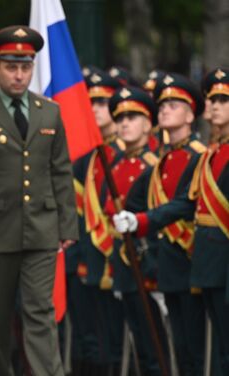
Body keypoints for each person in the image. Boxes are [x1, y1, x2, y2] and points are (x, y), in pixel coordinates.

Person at [0, 25, 78, 376]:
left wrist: (67, 224)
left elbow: (61, 172)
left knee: (40, 311)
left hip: (42, 227)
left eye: (25, 66)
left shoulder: (48, 111)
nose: (19, 74)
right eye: (11, 66)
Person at [114, 67, 229, 374]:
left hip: (207, 260)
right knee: (199, 353)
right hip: (203, 265)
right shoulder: (209, 156)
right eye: (212, 99)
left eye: (223, 99)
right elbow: (183, 203)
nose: (215, 105)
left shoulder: (202, 153)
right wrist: (139, 221)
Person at [105, 86, 166, 375]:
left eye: (133, 117)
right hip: (123, 263)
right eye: (121, 118)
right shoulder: (115, 165)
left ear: (148, 124)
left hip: (149, 263)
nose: (125, 124)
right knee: (139, 343)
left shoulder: (153, 166)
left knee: (158, 347)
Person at [70, 69, 125, 375]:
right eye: (91, 103)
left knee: (118, 336)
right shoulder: (88, 157)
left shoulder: (121, 154)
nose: (95, 109)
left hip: (119, 255)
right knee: (94, 334)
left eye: (103, 103)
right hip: (90, 255)